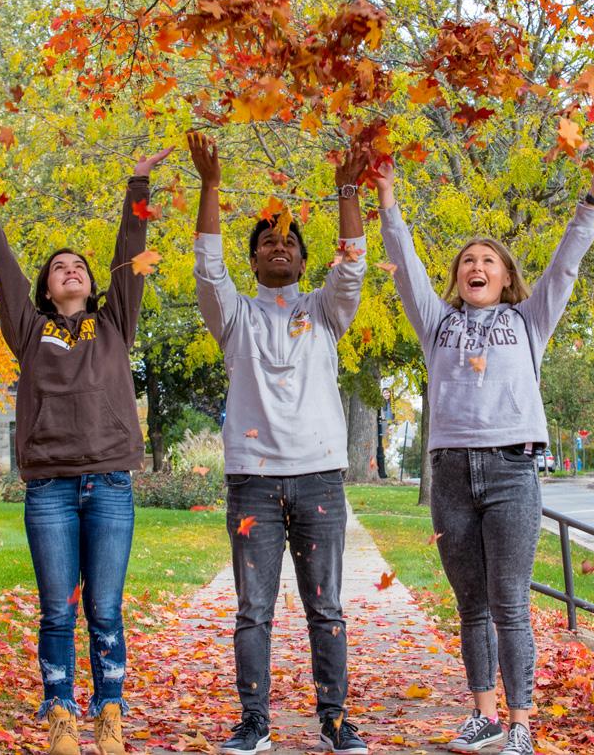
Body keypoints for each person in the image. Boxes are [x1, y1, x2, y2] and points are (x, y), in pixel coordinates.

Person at [375, 157, 594, 755]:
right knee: (472, 605)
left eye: (488, 260)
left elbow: (565, 266)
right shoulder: (436, 325)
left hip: (513, 471)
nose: (476, 267)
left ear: (507, 277)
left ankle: (520, 724)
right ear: (457, 278)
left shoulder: (527, 320)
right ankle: (483, 715)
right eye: (467, 261)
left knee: (510, 602)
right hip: (452, 475)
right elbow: (406, 269)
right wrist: (387, 201)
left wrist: (589, 202)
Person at [0, 146, 173, 755]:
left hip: (111, 484)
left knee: (106, 608)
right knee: (58, 611)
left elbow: (129, 248)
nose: (70, 269)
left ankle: (108, 713)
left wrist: (138, 180)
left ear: (93, 284)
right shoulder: (29, 329)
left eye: (79, 266)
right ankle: (62, 713)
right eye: (58, 266)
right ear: (45, 286)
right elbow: (2, 261)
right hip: (49, 489)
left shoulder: (115, 320)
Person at [188, 131, 369, 755]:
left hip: (320, 477)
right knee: (252, 611)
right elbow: (208, 270)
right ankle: (254, 722)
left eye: (288, 240)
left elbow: (353, 266)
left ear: (300, 258)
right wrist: (211, 186)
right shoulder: (234, 315)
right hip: (253, 483)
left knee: (328, 609)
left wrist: (348, 189)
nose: (278, 246)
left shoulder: (323, 311)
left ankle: (335, 719)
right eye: (266, 241)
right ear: (256, 258)